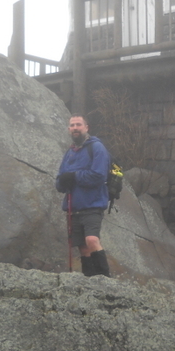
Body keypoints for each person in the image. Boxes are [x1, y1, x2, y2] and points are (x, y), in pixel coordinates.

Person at [55, 115, 111, 277]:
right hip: (73, 208)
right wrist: (64, 181)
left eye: (78, 124)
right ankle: (90, 282)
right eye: (72, 125)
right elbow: (59, 183)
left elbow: (99, 176)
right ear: (69, 130)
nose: (75, 128)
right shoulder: (69, 153)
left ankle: (106, 281)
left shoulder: (97, 148)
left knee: (92, 240)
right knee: (83, 248)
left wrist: (74, 176)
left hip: (93, 204)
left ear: (87, 127)